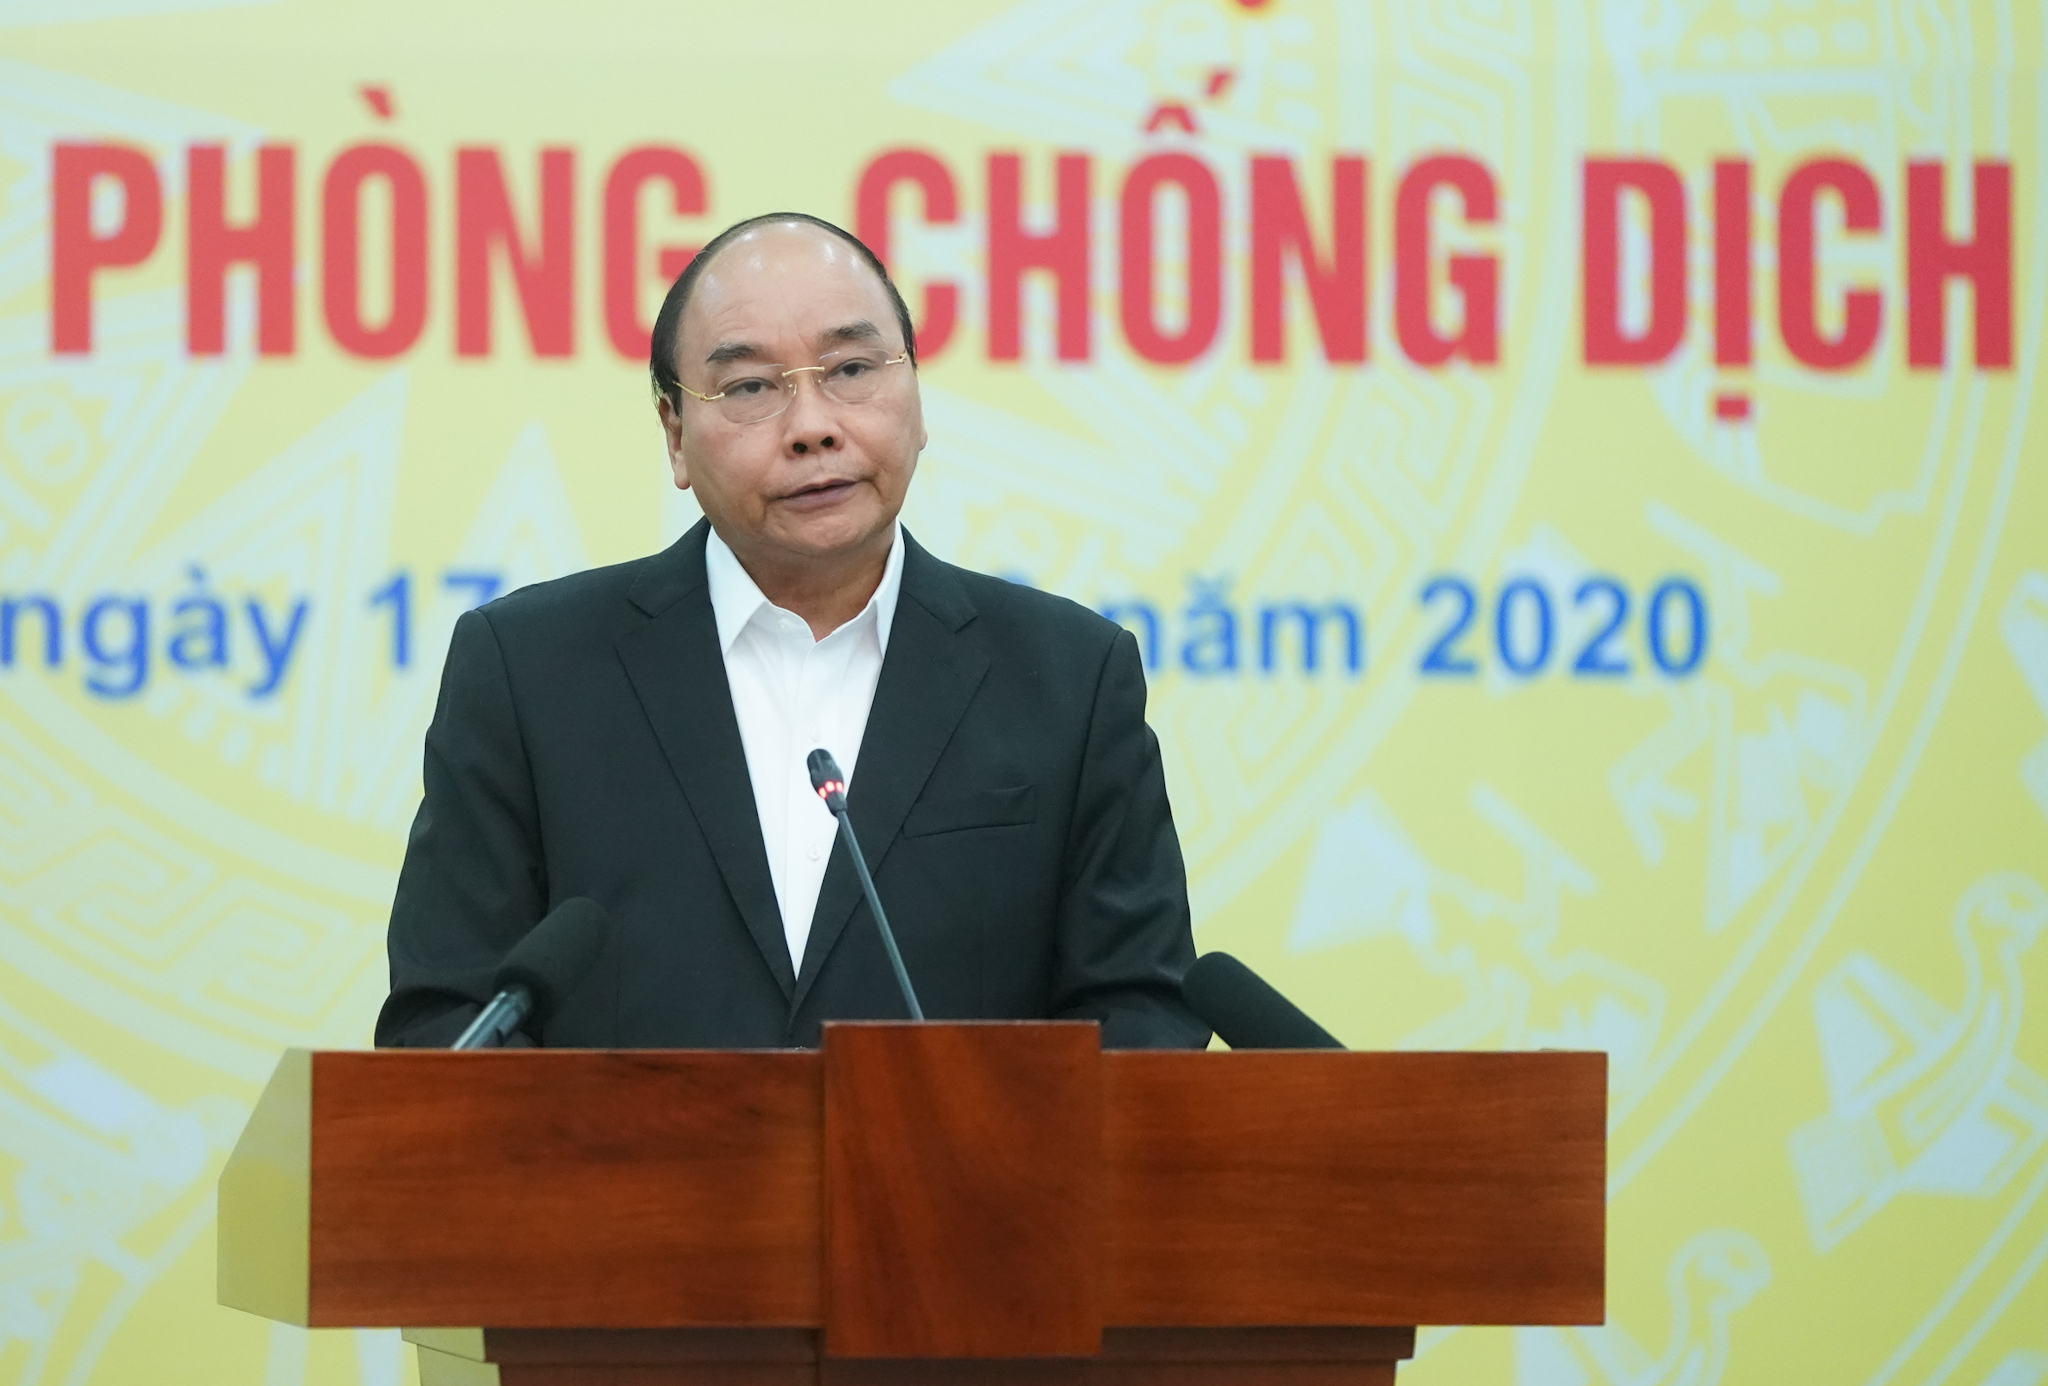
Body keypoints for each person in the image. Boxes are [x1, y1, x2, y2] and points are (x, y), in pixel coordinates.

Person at [375, 212, 1207, 1050]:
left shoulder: (1069, 679)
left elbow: (1142, 1015)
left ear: (918, 398)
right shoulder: (530, 673)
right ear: (674, 434)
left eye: (852, 369)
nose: (813, 426)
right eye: (749, 388)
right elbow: (448, 1017)